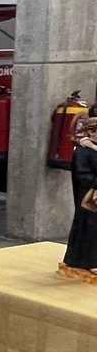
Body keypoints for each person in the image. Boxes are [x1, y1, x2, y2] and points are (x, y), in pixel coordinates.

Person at [61, 112, 97, 280]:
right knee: (89, 227)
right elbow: (82, 174)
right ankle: (89, 260)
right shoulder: (83, 151)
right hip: (88, 196)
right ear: (89, 132)